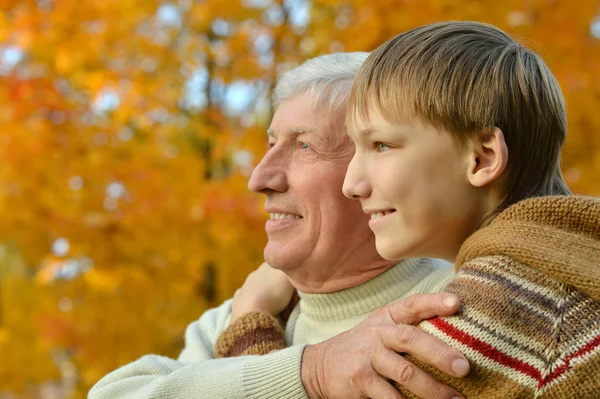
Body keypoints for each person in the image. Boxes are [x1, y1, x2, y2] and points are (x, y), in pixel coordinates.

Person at [215, 21, 600, 398]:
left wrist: (250, 325)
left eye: (381, 145)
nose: (352, 185)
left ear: (482, 159)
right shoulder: (563, 266)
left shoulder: (491, 313)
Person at [88, 52, 472, 399]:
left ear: (376, 166)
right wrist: (310, 370)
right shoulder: (240, 311)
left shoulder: (451, 310)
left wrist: (248, 346)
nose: (260, 178)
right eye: (270, 144)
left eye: (304, 146)